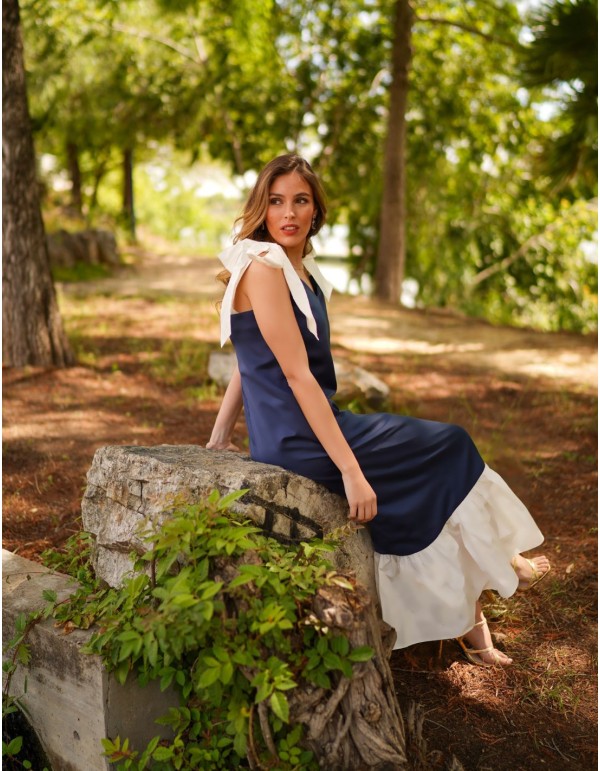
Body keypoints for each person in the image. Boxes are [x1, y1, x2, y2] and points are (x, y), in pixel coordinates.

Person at [206, 153, 550, 666]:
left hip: (311, 424)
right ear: (262, 207)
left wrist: (218, 438)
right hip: (300, 439)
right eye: (276, 201)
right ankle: (493, 588)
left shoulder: (300, 270)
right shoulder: (263, 267)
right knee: (448, 444)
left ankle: (488, 596)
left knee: (439, 455)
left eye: (300, 200)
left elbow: (248, 360)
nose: (288, 213)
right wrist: (351, 471)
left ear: (316, 211)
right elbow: (294, 375)